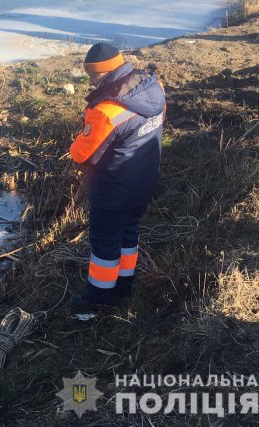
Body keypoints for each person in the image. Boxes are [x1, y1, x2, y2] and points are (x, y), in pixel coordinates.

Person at [69, 43, 166, 312]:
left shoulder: (106, 111)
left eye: (92, 76)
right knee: (128, 234)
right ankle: (124, 286)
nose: (90, 80)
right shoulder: (153, 88)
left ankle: (97, 300)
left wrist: (81, 137)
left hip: (113, 191)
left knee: (105, 245)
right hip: (144, 182)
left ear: (101, 74)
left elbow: (81, 154)